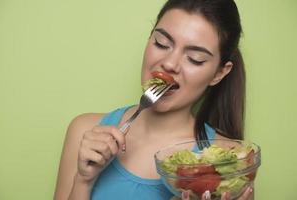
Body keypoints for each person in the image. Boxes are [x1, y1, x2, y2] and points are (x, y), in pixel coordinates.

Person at [54, 0, 254, 199]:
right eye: (161, 43)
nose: (169, 64)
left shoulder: (232, 163)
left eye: (195, 58)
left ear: (219, 73)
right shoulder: (85, 131)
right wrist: (83, 180)